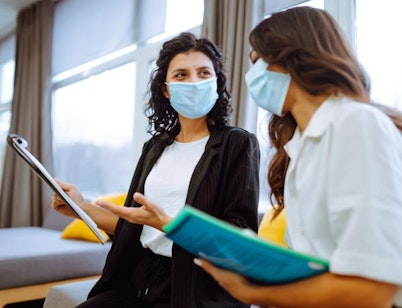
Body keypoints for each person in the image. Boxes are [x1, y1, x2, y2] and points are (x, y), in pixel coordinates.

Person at [194, 6, 402, 308]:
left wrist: (253, 295)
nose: (252, 77)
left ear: (290, 58)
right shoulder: (301, 146)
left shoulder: (355, 124)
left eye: (257, 62)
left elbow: (372, 292)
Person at [52, 32, 260, 307]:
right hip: (139, 277)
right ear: (166, 88)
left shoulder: (238, 143)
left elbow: (240, 234)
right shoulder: (155, 147)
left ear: (217, 82)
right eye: (181, 75)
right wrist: (81, 207)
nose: (194, 82)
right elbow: (135, 224)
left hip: (198, 284)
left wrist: (167, 224)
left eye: (203, 73)